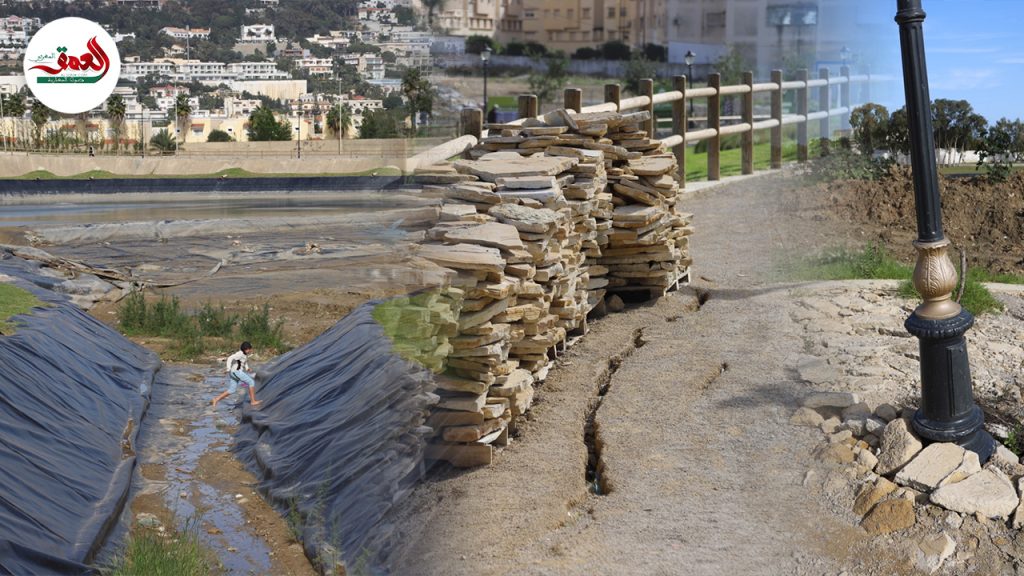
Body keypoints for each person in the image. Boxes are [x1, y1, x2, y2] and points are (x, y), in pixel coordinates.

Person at [212, 341, 262, 409]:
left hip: (234, 373)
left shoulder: (244, 355)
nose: (250, 350)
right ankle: (253, 401)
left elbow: (244, 362)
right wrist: (228, 368)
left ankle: (216, 399)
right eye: (249, 349)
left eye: (250, 349)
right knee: (251, 382)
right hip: (236, 372)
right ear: (245, 349)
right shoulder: (239, 354)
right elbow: (230, 358)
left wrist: (247, 368)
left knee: (232, 390)